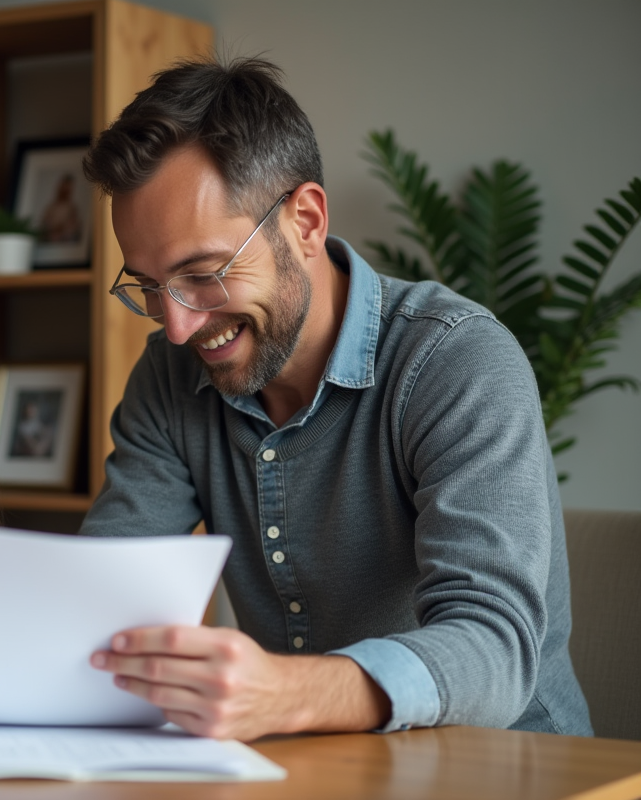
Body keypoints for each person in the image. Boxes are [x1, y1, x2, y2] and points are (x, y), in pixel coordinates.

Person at [79, 58, 592, 741]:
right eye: (147, 285)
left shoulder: (457, 361)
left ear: (308, 221)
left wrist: (287, 693)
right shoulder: (170, 376)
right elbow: (106, 594)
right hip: (313, 763)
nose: (176, 324)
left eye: (202, 274)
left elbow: (494, 649)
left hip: (511, 767)